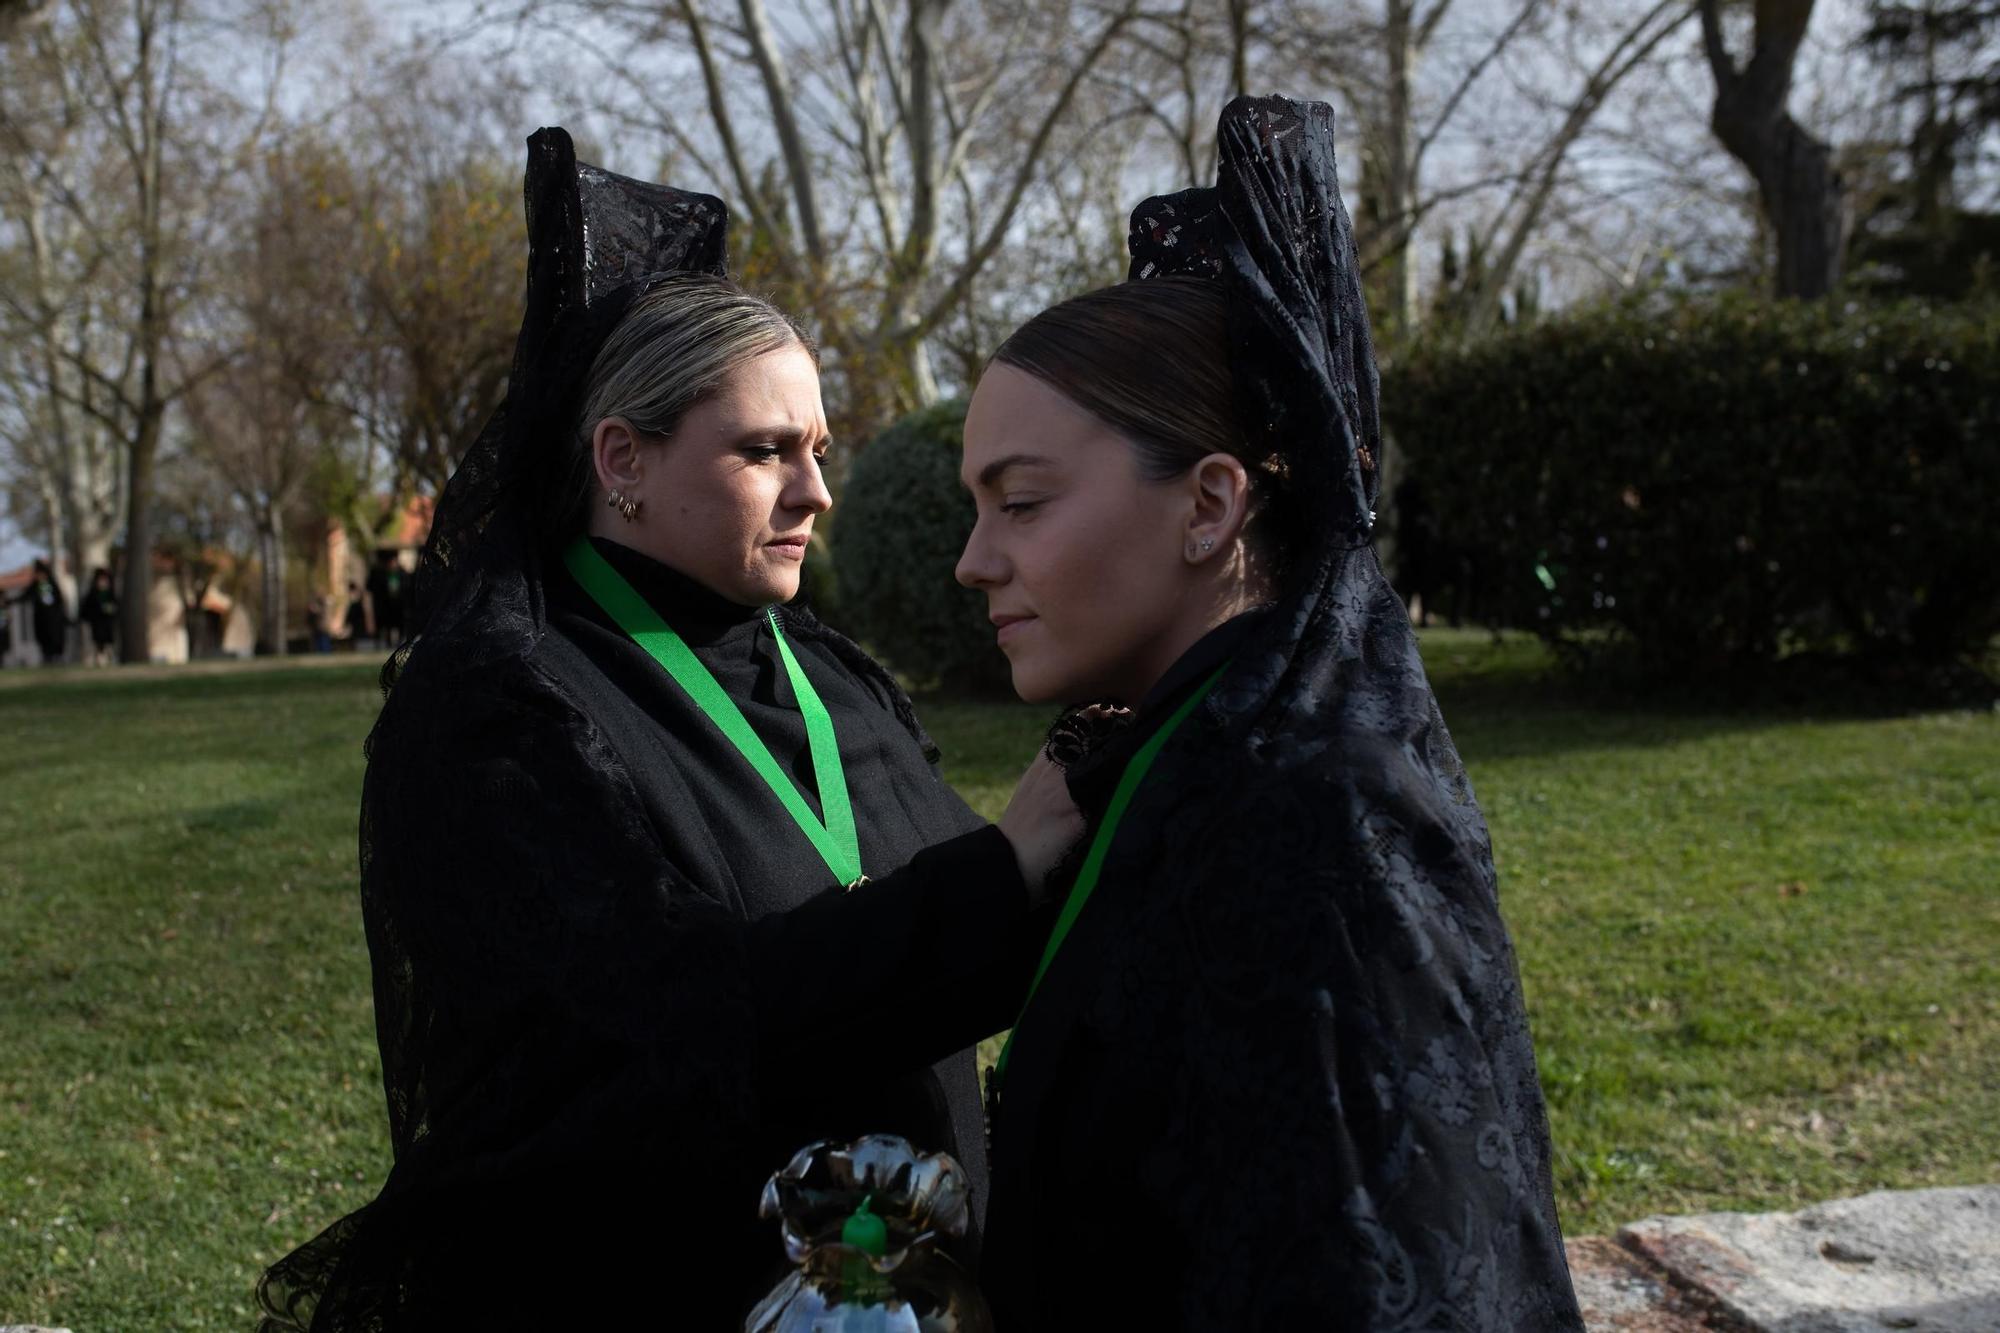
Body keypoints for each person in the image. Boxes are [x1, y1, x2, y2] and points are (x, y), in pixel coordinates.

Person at [257, 128, 1072, 1332]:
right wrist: (1006, 867)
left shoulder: (830, 675)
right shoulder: (504, 712)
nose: (816, 491)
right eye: (765, 451)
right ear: (621, 460)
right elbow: (671, 1019)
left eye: (819, 451)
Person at [959, 97, 1584, 1329]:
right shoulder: (1181, 755)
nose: (972, 561)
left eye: (1018, 503)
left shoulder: (1315, 818)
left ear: (1209, 506)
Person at [23, 558, 69, 666]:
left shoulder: (52, 584)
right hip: (40, 618)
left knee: (55, 637)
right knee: (43, 638)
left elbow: (59, 600)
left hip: (53, 618)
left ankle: (57, 657)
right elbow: (25, 596)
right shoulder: (35, 585)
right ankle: (47, 657)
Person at [77, 567, 119, 666]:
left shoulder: (110, 594)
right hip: (96, 623)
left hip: (107, 622)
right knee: (97, 642)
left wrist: (111, 610)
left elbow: (116, 606)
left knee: (109, 642)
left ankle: (110, 658)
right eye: (100, 580)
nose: (102, 583)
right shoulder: (92, 594)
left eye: (105, 580)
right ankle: (98, 659)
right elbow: (86, 609)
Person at [364, 551, 405, 648]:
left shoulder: (401, 573)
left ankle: (397, 642)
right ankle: (385, 642)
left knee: (398, 624)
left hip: (397, 604)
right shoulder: (379, 575)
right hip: (384, 605)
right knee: (385, 625)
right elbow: (370, 589)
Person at [343, 580, 367, 646]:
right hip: (356, 625)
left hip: (359, 625)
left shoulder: (357, 601)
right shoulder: (355, 601)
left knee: (359, 641)